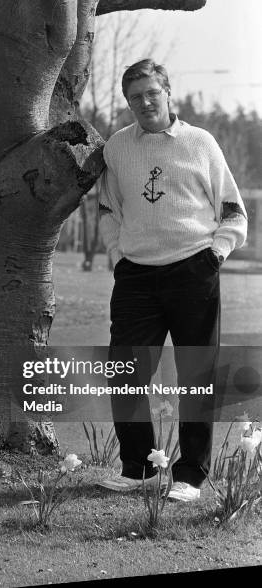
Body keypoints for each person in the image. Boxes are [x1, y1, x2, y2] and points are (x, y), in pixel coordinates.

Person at [98, 58, 248, 501]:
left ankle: (191, 476)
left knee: (196, 375)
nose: (144, 102)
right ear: (127, 103)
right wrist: (117, 256)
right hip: (135, 278)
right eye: (134, 97)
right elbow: (108, 209)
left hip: (193, 271)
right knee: (124, 372)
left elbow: (233, 210)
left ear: (168, 94)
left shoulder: (201, 143)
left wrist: (216, 253)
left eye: (151, 93)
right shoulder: (116, 148)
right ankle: (139, 466)